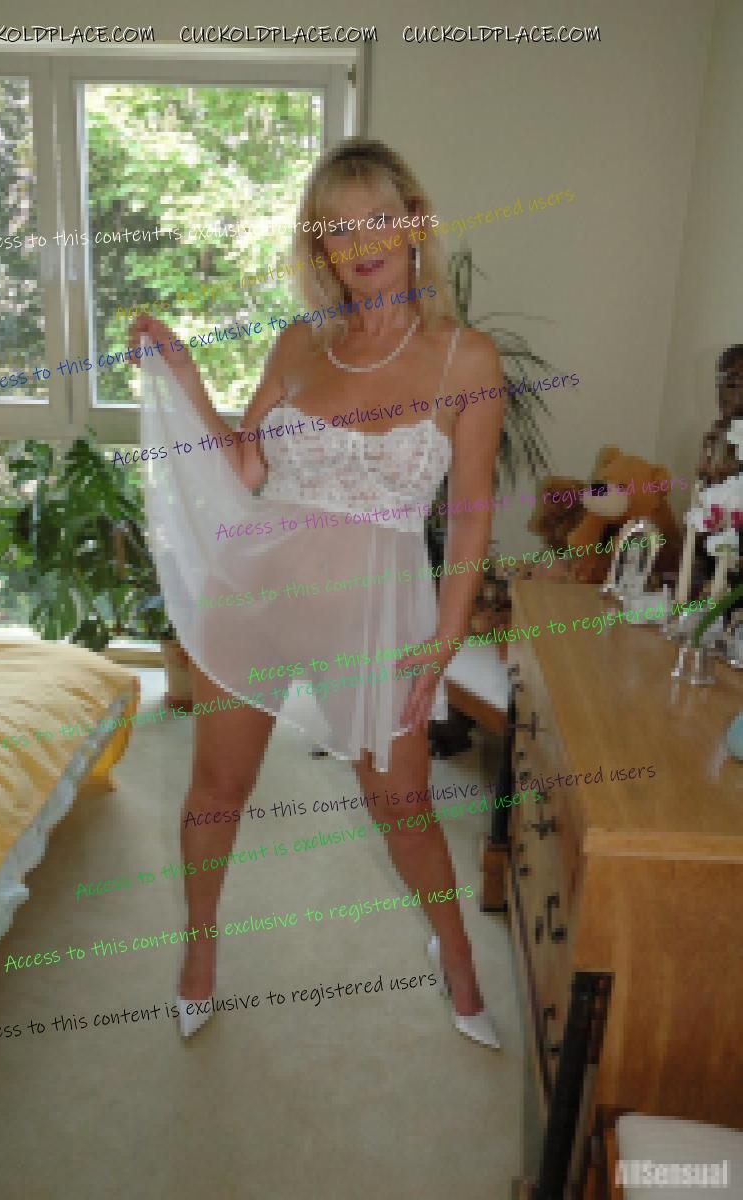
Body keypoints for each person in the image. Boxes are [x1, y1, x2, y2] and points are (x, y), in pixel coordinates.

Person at [128, 138, 505, 1045]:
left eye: (377, 218)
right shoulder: (300, 343)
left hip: (379, 617)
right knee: (215, 788)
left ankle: (455, 952)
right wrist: (185, 375)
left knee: (403, 807)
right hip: (254, 594)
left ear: (413, 224)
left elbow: (472, 516)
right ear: (319, 245)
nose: (360, 242)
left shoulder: (466, 359)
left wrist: (445, 638)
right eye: (337, 226)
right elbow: (246, 468)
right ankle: (199, 947)